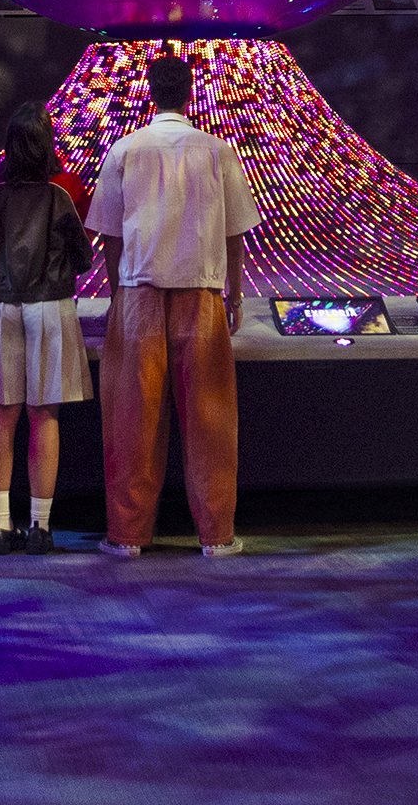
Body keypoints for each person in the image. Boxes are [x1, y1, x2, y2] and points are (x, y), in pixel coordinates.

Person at [86, 49, 259, 558]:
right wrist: (235, 292)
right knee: (209, 417)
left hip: (137, 290)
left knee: (131, 417)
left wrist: (118, 289)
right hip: (202, 293)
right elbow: (235, 232)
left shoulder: (124, 150)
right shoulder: (217, 151)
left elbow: (109, 232)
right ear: (190, 94)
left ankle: (127, 535)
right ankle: (217, 535)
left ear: (149, 90)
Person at [0, 104, 92, 554]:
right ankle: (40, 527)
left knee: (2, 415)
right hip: (50, 306)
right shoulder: (64, 191)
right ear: (47, 143)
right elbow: (83, 256)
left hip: (1, 308)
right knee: (44, 416)